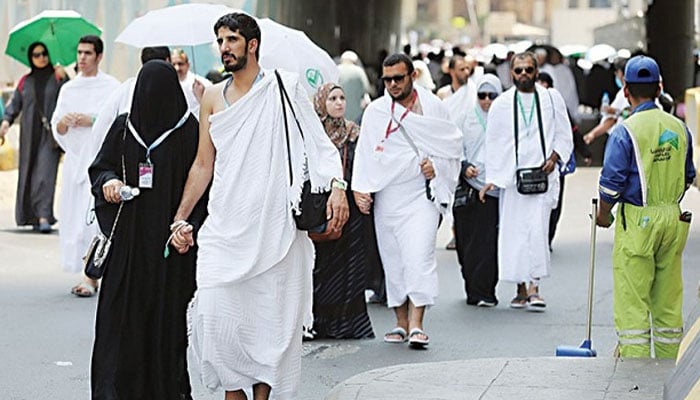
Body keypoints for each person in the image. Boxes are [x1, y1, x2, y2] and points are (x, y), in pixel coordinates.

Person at [169, 13, 348, 400]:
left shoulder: (284, 87)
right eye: (220, 40)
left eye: (232, 39)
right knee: (217, 320)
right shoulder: (212, 98)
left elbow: (319, 144)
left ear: (252, 44)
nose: (224, 47)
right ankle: (234, 392)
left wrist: (337, 186)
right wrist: (180, 217)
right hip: (225, 228)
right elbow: (204, 163)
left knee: (271, 327)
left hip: (275, 229)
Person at [88, 59, 203, 399]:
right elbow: (101, 168)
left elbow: (204, 188)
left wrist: (189, 226)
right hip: (129, 247)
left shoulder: (189, 132)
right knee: (118, 324)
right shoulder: (124, 128)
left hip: (170, 249)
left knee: (166, 329)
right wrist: (109, 183)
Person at [352, 53, 462, 348]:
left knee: (419, 256)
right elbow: (366, 153)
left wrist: (435, 168)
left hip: (421, 195)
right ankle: (400, 322)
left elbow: (452, 145)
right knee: (394, 260)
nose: (392, 84)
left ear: (413, 76)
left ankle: (417, 324)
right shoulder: (376, 111)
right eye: (387, 80)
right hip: (388, 195)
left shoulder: (434, 107)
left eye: (398, 78)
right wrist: (360, 188)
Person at [596, 55, 696, 359]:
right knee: (667, 297)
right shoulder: (679, 128)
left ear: (626, 90)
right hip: (672, 217)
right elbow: (688, 175)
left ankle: (635, 372)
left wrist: (603, 216)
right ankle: (669, 366)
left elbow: (611, 184)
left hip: (638, 221)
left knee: (633, 298)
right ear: (660, 87)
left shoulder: (625, 131)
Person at [481, 52, 573, 311]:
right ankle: (519, 288)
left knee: (537, 231)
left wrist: (555, 157)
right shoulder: (501, 104)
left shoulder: (551, 98)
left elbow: (564, 133)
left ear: (536, 71)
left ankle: (534, 287)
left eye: (528, 70)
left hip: (542, 177)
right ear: (511, 73)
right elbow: (495, 142)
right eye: (518, 70)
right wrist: (493, 178)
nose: (523, 75)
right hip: (513, 180)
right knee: (515, 234)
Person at [50, 35, 120, 297]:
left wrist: (92, 119)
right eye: (79, 52)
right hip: (74, 162)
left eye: (88, 53)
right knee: (75, 217)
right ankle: (84, 270)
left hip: (100, 163)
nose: (82, 58)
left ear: (99, 56)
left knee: (95, 219)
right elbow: (57, 127)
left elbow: (116, 120)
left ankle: (92, 275)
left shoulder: (112, 86)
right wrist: (66, 123)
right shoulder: (68, 89)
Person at [309, 83, 375, 340]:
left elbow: (366, 164)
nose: (339, 103)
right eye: (332, 98)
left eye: (342, 98)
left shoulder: (354, 133)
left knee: (351, 267)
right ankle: (319, 322)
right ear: (321, 103)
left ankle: (349, 324)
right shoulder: (312, 135)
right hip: (321, 206)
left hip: (351, 207)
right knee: (321, 267)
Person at [0, 42, 68, 233]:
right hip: (29, 136)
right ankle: (31, 216)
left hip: (49, 135)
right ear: (31, 58)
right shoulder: (25, 81)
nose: (41, 57)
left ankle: (44, 215)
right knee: (29, 174)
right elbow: (15, 105)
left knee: (45, 175)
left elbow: (69, 96)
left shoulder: (57, 77)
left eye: (44, 53)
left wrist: (64, 78)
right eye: (36, 54)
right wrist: (6, 122)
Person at [454, 74, 502, 307]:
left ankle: (485, 291)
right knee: (466, 242)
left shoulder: (504, 120)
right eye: (482, 95)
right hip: (468, 189)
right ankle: (472, 288)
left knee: (487, 243)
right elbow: (454, 147)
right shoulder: (465, 118)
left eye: (492, 96)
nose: (486, 101)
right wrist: (464, 167)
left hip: (493, 189)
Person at [535, 72, 592, 249]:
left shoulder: (558, 106)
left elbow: (571, 132)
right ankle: (536, 238)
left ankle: (548, 238)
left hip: (556, 162)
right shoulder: (527, 107)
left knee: (555, 202)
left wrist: (585, 152)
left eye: (545, 83)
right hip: (534, 164)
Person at [171, 48, 212, 114]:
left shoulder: (202, 83)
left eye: (180, 64)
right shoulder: (169, 85)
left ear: (188, 65)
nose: (177, 68)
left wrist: (201, 97)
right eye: (173, 64)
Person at [337, 50, 372, 123]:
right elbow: (367, 89)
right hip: (355, 114)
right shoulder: (359, 71)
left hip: (337, 112)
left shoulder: (335, 70)